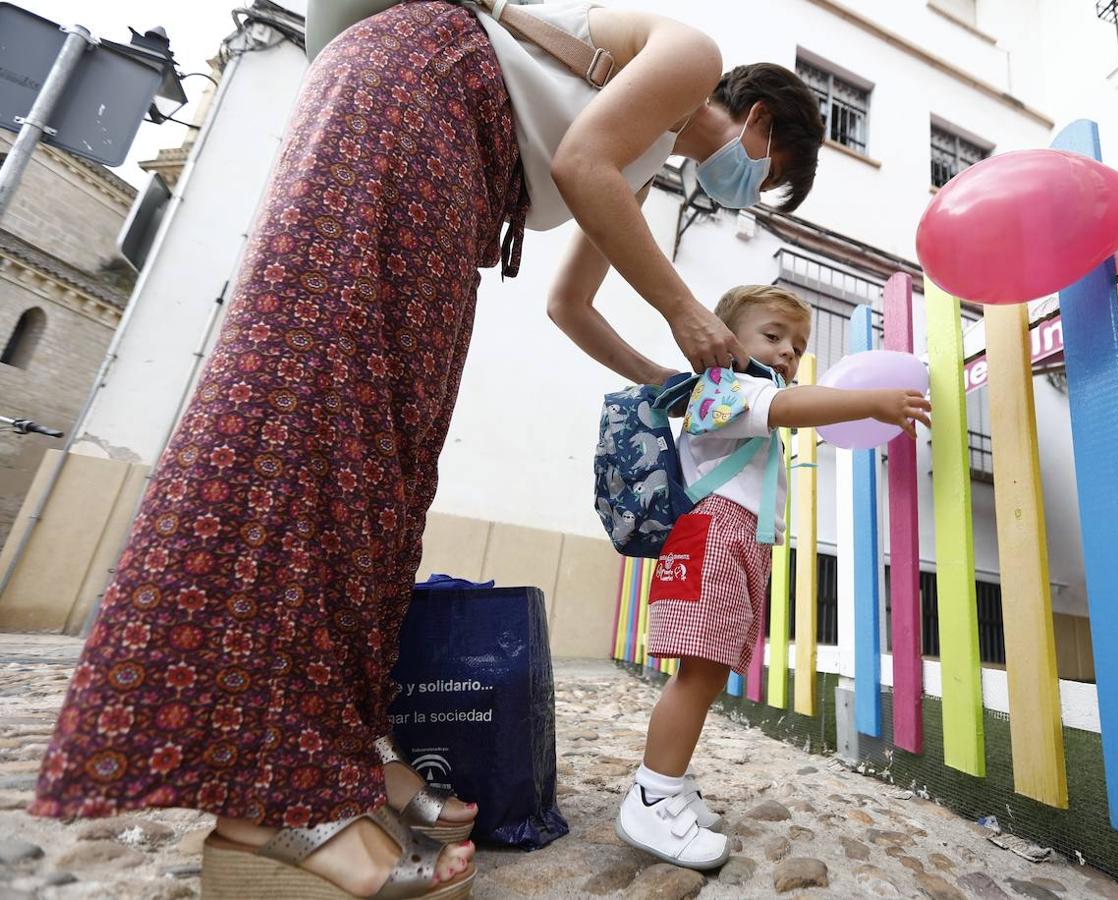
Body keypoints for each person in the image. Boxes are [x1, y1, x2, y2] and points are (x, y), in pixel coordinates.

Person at [30, 1, 825, 897]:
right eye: (764, 180)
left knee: (387, 461)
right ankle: (277, 796)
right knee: (325, 418)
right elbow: (576, 162)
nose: (745, 195)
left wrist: (664, 379)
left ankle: (335, 754)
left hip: (457, 168)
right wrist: (684, 313)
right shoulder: (691, 56)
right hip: (416, 100)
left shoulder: (638, 163)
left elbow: (571, 305)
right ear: (760, 122)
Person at [614, 286, 931, 869]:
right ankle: (651, 795)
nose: (788, 352)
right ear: (726, 338)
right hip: (714, 536)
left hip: (729, 538)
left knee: (704, 673)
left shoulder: (741, 394)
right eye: (773, 336)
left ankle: (669, 783)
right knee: (697, 674)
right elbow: (790, 407)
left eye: (798, 344)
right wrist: (871, 402)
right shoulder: (727, 387)